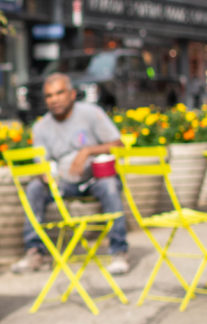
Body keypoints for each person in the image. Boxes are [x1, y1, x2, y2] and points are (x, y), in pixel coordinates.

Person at [11, 72, 130, 276]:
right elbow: (41, 161)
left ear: (72, 94)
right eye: (49, 96)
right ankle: (34, 252)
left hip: (95, 178)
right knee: (34, 188)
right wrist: (45, 174)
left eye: (59, 93)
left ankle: (119, 251)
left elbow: (118, 144)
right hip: (64, 182)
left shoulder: (91, 113)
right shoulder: (41, 127)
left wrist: (87, 151)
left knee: (110, 185)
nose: (54, 99)